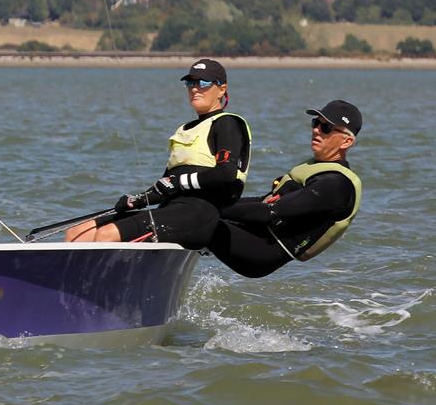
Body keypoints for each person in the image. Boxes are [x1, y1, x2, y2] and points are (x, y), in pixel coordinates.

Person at [90, 99, 362, 279]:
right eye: (316, 123)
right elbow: (260, 201)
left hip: (262, 251)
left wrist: (205, 206)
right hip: (253, 234)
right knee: (190, 211)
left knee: (196, 215)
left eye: (326, 128)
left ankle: (119, 273)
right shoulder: (314, 168)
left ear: (346, 142)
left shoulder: (336, 185)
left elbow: (268, 212)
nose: (316, 130)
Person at [65, 58, 252, 243]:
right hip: (170, 209)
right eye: (190, 83)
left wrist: (179, 182)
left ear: (222, 89)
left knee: (106, 235)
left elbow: (226, 174)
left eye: (203, 83)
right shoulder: (184, 130)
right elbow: (166, 186)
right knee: (78, 232)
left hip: (199, 214)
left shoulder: (227, 123)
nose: (195, 88)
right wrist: (137, 200)